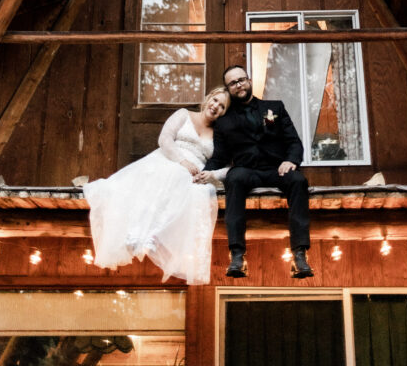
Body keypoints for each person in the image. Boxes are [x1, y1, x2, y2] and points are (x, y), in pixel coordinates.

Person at [83, 86, 230, 285]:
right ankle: (137, 233)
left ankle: (155, 235)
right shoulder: (184, 114)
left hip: (194, 172)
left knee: (196, 193)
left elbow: (224, 165)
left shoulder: (217, 135)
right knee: (168, 177)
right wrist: (182, 162)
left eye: (222, 107)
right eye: (215, 101)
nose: (216, 107)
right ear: (209, 98)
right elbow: (165, 138)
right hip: (170, 159)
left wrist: (205, 174)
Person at [199, 64, 313, 279]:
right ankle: (237, 255)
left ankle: (300, 255)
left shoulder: (274, 108)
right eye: (232, 83)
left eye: (241, 80)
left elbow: (294, 142)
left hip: (276, 170)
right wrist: (204, 173)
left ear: (249, 80)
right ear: (228, 89)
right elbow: (219, 157)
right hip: (246, 171)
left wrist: (290, 160)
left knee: (298, 180)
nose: (238, 85)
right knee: (234, 178)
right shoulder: (223, 122)